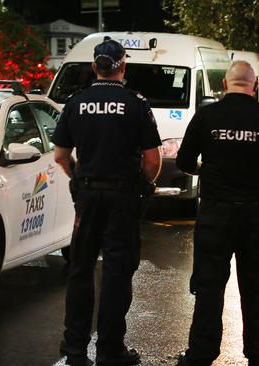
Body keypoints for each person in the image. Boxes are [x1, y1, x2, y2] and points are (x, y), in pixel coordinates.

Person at [175, 61, 259, 366]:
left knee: (209, 287)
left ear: (225, 85)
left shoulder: (206, 116)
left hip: (216, 216)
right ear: (254, 86)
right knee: (257, 289)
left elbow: (185, 161)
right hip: (256, 218)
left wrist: (209, 167)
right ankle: (258, 356)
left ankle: (201, 354)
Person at [52, 37, 162, 366]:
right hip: (122, 196)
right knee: (117, 272)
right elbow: (153, 160)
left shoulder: (76, 101)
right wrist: (143, 187)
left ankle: (74, 349)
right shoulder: (136, 103)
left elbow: (60, 155)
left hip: (87, 194)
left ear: (93, 67)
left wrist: (80, 180)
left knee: (81, 269)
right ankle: (110, 350)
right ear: (123, 67)